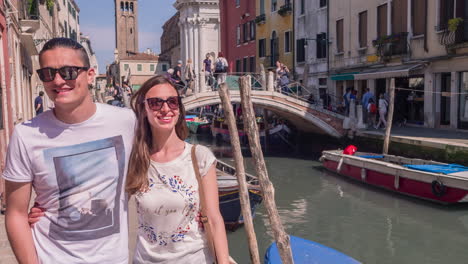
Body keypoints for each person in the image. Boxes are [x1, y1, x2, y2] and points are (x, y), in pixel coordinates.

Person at [2, 38, 136, 263]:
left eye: (68, 72)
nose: (58, 80)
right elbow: (15, 213)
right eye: (47, 73)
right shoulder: (26, 135)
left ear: (90, 74)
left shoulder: (126, 121)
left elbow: (165, 157)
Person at [127, 75, 230, 263]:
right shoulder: (134, 159)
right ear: (144, 109)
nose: (166, 109)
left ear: (179, 108)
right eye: (156, 103)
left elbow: (215, 220)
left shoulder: (200, 157)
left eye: (172, 102)